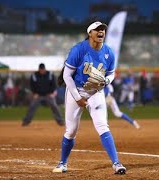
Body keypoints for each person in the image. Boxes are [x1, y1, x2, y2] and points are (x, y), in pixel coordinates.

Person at [53, 21, 126, 175]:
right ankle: (62, 163)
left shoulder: (109, 52)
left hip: (96, 91)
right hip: (76, 90)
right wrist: (77, 97)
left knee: (102, 126)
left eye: (103, 30)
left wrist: (106, 81)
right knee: (71, 130)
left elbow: (111, 73)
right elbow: (67, 75)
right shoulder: (79, 50)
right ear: (90, 33)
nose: (101, 32)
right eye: (97, 30)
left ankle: (116, 163)